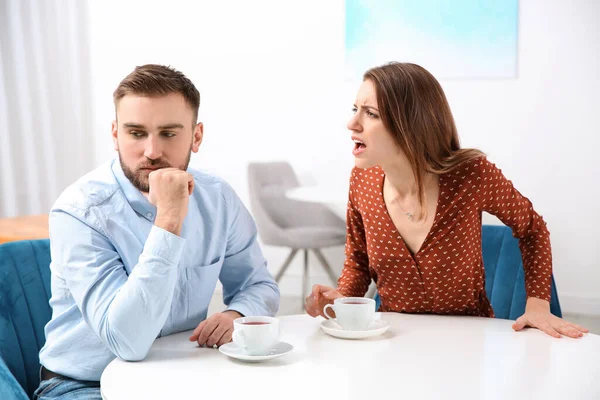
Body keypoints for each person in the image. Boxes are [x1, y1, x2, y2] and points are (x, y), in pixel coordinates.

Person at [34, 64, 280, 399]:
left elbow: (258, 284)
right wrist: (169, 220)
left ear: (196, 136)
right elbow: (127, 342)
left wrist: (238, 313)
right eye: (136, 133)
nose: (151, 152)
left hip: (181, 376)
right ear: (115, 134)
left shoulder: (218, 198)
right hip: (85, 385)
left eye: (168, 133)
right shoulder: (79, 212)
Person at [305, 62, 588, 339]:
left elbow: (532, 229)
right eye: (356, 109)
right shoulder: (362, 181)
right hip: (391, 339)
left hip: (467, 341)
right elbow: (358, 262)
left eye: (371, 113)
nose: (352, 123)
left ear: (411, 124)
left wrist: (538, 304)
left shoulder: (471, 175)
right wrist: (339, 301)